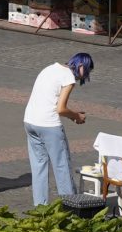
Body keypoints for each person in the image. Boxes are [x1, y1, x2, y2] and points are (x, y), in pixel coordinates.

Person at [22, 52, 93, 208]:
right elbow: (60, 109)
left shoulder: (50, 68)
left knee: (38, 166)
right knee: (62, 167)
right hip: (48, 125)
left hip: (30, 121)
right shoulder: (68, 77)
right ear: (81, 66)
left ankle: (40, 208)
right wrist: (76, 116)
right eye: (86, 71)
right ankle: (70, 208)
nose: (84, 77)